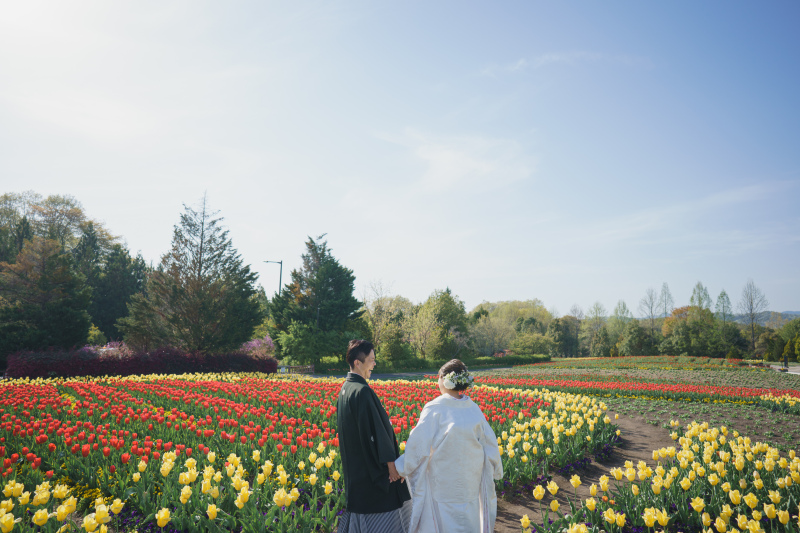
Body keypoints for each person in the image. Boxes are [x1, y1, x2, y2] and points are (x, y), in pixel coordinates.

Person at [394, 359, 503, 533]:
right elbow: (490, 443)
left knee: (445, 523)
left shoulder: (435, 408)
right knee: (469, 522)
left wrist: (400, 468)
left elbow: (418, 445)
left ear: (443, 379)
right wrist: (497, 469)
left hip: (444, 482)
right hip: (470, 482)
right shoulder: (473, 409)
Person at [337, 339, 412, 533]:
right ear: (357, 363)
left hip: (357, 469)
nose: (374, 364)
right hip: (371, 474)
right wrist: (391, 466)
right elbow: (376, 432)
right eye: (371, 360)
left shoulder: (345, 389)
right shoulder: (362, 391)